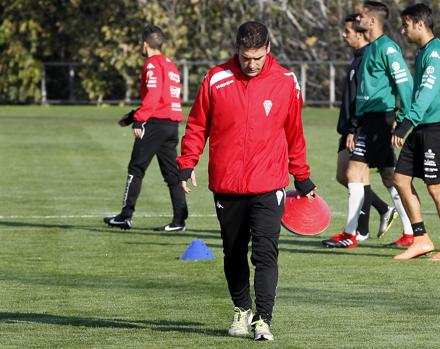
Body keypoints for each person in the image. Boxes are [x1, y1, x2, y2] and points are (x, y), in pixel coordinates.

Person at [176, 21, 315, 341]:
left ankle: (263, 319)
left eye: (257, 57)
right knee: (234, 252)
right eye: (245, 57)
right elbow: (197, 125)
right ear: (236, 50)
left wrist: (302, 176)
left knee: (265, 253)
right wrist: (187, 163)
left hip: (270, 184)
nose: (251, 64)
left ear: (268, 49)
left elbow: (294, 132)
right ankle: (242, 310)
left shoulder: (286, 82)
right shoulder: (215, 78)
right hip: (227, 184)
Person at [322, 1, 414, 249]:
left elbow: (405, 84)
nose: (358, 18)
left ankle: (351, 235)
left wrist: (404, 119)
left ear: (372, 21)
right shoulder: (371, 48)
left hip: (379, 120)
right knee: (388, 177)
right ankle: (409, 233)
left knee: (354, 173)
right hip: (367, 121)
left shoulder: (388, 48)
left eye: (362, 15)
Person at [391, 4, 440, 261]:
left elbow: (427, 93)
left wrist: (407, 122)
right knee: (400, 179)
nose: (403, 30)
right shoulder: (423, 53)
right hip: (421, 126)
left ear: (419, 24)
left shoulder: (435, 54)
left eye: (405, 25)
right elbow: (416, 93)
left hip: (438, 128)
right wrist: (403, 117)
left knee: (435, 187)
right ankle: (421, 239)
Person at [104, 25, 188, 232]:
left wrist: (140, 119)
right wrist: (134, 114)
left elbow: (154, 93)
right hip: (171, 125)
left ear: (144, 44)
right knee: (172, 175)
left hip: (154, 124)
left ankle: (125, 216)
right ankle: (179, 221)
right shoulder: (170, 65)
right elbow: (166, 97)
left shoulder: (151, 64)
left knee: (136, 169)